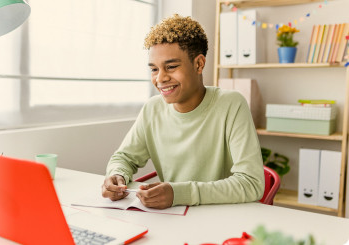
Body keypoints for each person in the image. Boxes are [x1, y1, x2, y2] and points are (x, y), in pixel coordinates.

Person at [101, 14, 264, 209]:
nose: (160, 78)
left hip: (223, 216)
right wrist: (117, 175)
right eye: (154, 69)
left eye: (171, 67)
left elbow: (251, 183)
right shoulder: (152, 109)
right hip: (172, 218)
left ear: (199, 64)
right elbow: (124, 158)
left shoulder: (231, 104)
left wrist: (179, 193)